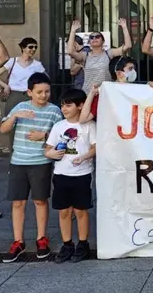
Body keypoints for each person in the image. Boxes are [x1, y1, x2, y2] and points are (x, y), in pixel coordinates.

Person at [0, 72, 63, 262]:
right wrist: (14, 116)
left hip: (41, 162)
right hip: (18, 161)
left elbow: (62, 135)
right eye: (39, 92)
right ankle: (18, 240)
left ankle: (41, 238)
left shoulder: (54, 111)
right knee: (17, 202)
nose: (43, 95)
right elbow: (3, 129)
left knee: (40, 200)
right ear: (29, 92)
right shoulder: (20, 107)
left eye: (47, 91)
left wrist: (43, 136)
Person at [44, 89, 96, 263]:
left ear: (81, 106)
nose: (64, 109)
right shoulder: (59, 126)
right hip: (61, 173)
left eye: (69, 105)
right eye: (62, 105)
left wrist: (84, 156)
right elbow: (48, 148)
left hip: (82, 174)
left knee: (81, 210)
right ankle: (67, 244)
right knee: (64, 211)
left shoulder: (89, 126)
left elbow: (96, 147)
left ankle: (83, 243)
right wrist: (51, 154)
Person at [66, 18, 132, 93]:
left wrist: (124, 27)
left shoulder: (109, 53)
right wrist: (72, 31)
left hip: (105, 93)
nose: (94, 38)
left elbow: (128, 46)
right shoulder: (85, 55)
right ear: (89, 42)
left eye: (97, 36)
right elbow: (70, 51)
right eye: (91, 37)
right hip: (88, 94)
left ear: (103, 41)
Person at [0, 37, 46, 121]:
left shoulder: (37, 65)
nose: (33, 49)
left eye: (35, 47)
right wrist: (5, 86)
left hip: (30, 96)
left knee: (30, 120)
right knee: (11, 119)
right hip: (14, 95)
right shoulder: (12, 61)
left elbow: (46, 79)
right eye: (30, 47)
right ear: (23, 48)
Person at [80, 56, 139, 123]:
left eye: (134, 69)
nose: (134, 72)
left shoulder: (138, 91)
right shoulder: (104, 92)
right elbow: (83, 119)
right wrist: (92, 93)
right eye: (130, 69)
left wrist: (151, 88)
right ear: (119, 73)